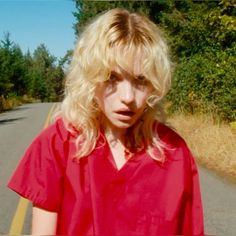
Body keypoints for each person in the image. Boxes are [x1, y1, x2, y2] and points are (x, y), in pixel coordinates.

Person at [8, 8, 204, 235]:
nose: (128, 97)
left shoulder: (174, 154)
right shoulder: (56, 145)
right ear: (92, 77)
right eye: (112, 78)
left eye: (140, 80)